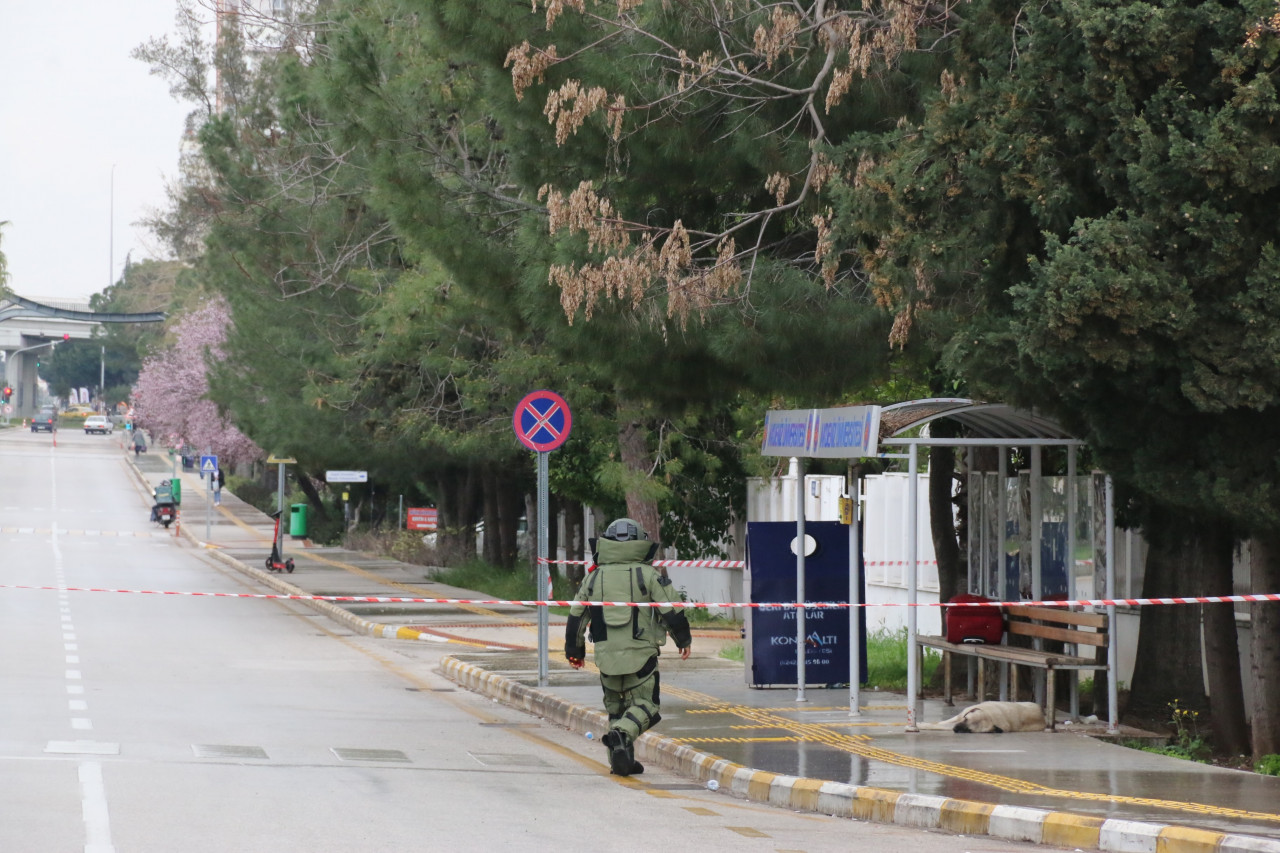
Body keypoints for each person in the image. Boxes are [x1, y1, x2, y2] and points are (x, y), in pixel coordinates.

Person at [564, 517, 692, 777]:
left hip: (606, 658)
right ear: (640, 543)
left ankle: (621, 762)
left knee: (616, 709)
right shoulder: (647, 574)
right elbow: (672, 610)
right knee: (647, 705)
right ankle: (622, 735)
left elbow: (576, 615)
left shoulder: (594, 578)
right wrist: (683, 640)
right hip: (641, 656)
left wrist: (574, 652)